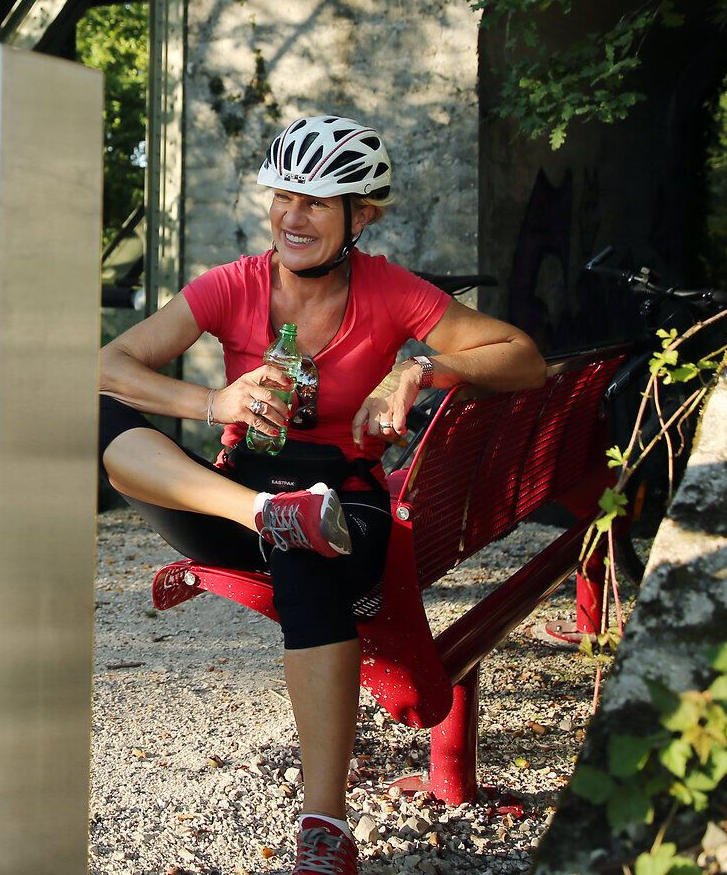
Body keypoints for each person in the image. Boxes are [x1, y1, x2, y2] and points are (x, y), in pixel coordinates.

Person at [98, 114, 545, 875]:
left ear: (359, 217)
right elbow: (109, 364)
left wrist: (418, 370)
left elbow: (523, 358)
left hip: (345, 500)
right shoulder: (233, 284)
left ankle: (325, 826)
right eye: (284, 197)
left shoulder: (390, 291)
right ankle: (268, 515)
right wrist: (214, 402)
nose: (292, 217)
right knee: (101, 414)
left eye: (315, 202)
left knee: (308, 554)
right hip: (235, 500)